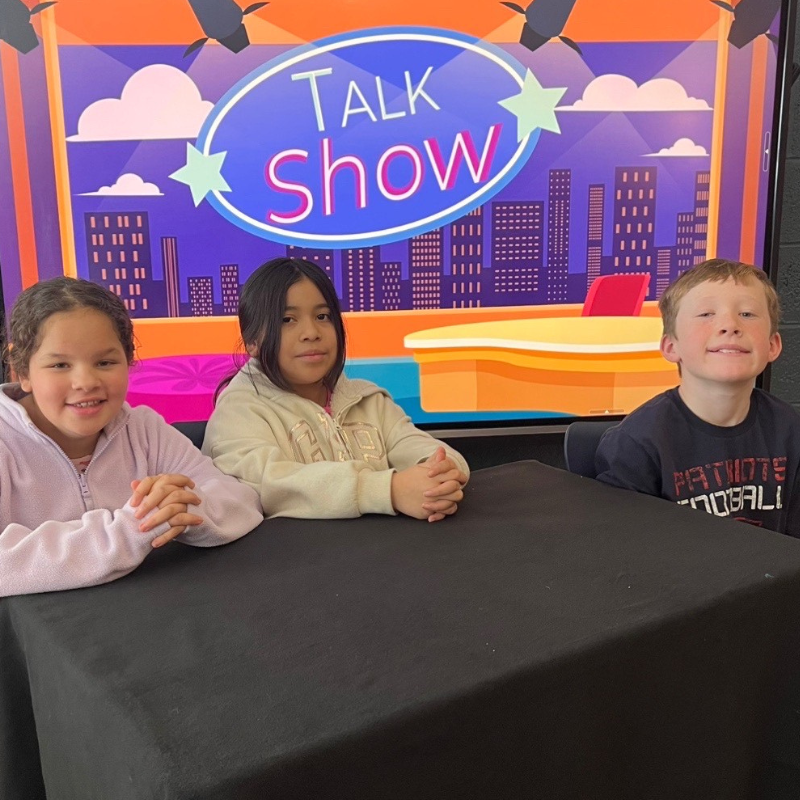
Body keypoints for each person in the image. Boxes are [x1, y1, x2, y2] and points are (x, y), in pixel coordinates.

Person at [0, 277, 263, 597]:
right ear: (22, 371)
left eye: (105, 362)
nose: (85, 381)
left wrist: (188, 510)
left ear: (129, 361)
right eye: (60, 364)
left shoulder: (144, 430)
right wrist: (130, 530)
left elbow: (240, 499)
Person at [203, 257, 469, 521]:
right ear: (252, 341)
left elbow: (417, 446)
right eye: (287, 319)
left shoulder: (367, 399)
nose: (311, 332)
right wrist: (388, 490)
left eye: (322, 316)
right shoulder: (236, 413)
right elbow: (267, 486)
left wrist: (440, 476)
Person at [594, 258, 800, 535]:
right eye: (706, 314)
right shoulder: (636, 444)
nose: (729, 325)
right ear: (670, 346)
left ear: (772, 345)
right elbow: (628, 557)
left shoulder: (792, 431)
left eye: (748, 314)